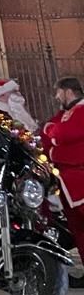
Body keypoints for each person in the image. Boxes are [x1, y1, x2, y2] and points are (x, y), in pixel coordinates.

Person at [43, 76, 84, 263]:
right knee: (78, 229)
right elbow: (50, 128)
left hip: (79, 178)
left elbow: (62, 134)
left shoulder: (81, 111)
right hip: (68, 181)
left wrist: (53, 133)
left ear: (68, 92)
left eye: (58, 92)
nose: (56, 97)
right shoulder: (68, 113)